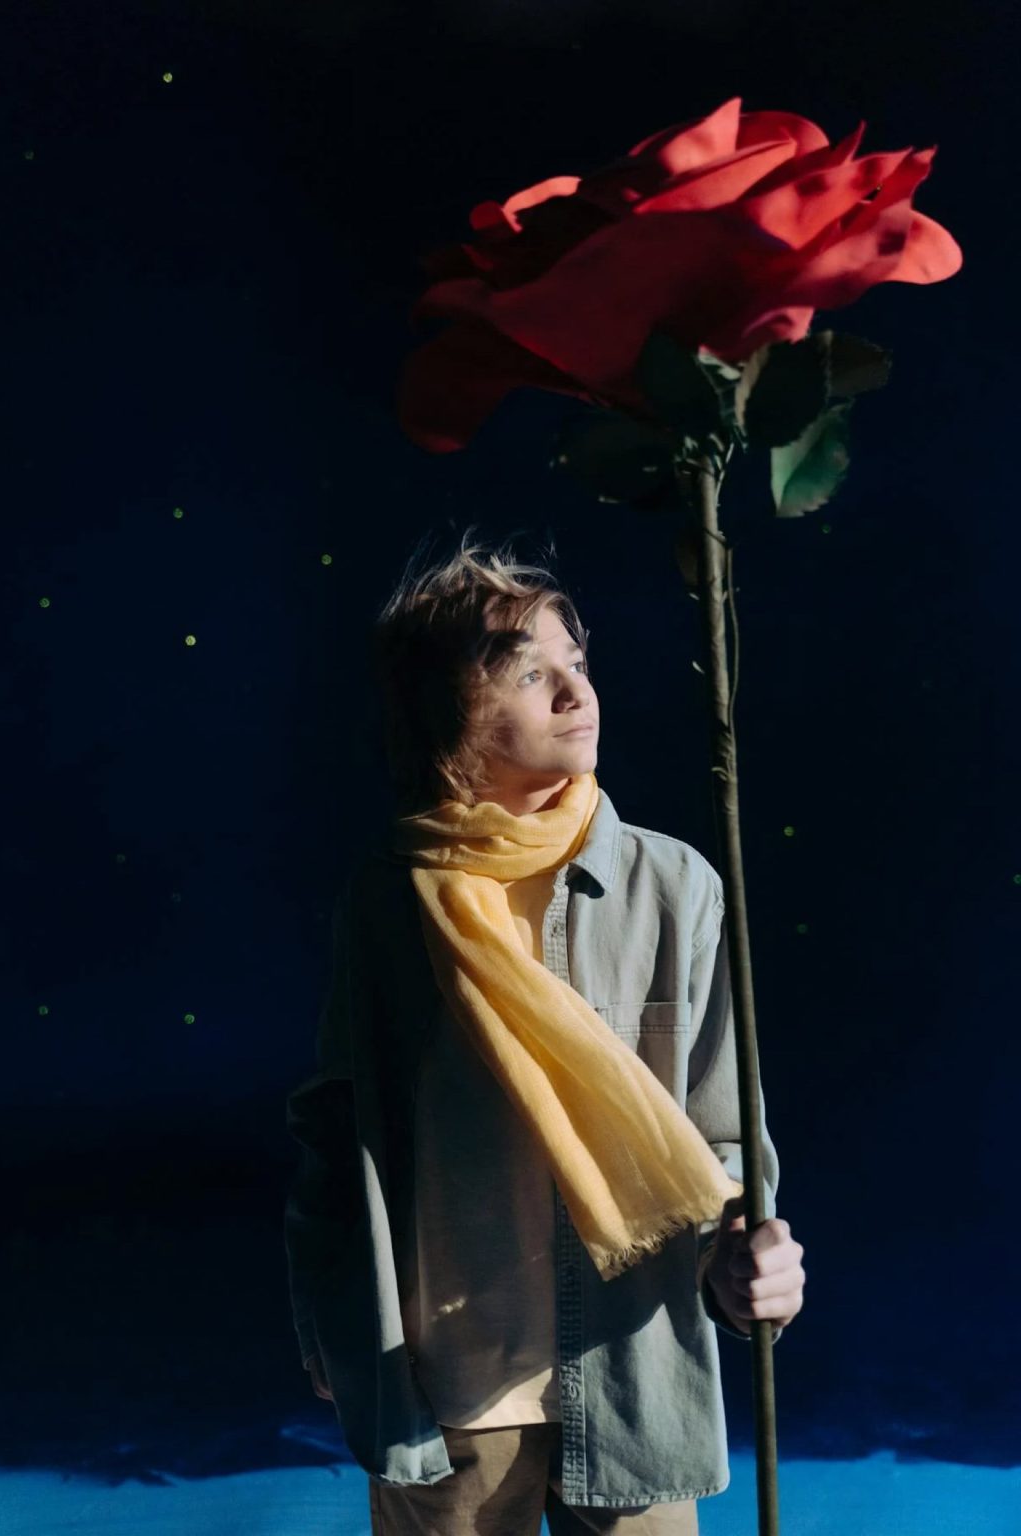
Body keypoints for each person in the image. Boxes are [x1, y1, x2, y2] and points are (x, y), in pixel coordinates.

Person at [283, 530, 806, 1535]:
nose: (576, 693)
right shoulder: (391, 904)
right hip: (448, 1393)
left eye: (576, 662)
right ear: (445, 712)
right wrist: (335, 1325)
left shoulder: (674, 887)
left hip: (632, 1376)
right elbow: (338, 1134)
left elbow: (722, 1135)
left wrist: (748, 1252)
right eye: (529, 674)